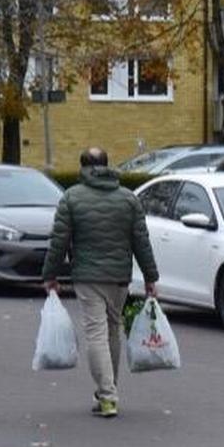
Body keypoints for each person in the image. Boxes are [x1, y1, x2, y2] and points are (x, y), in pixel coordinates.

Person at [43, 147, 160, 419]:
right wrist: (151, 277)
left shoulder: (71, 198)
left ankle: (107, 396)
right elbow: (141, 241)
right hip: (119, 277)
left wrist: (50, 275)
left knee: (96, 334)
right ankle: (108, 391)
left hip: (87, 276)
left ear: (82, 168)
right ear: (107, 166)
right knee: (112, 332)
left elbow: (59, 240)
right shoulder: (128, 199)